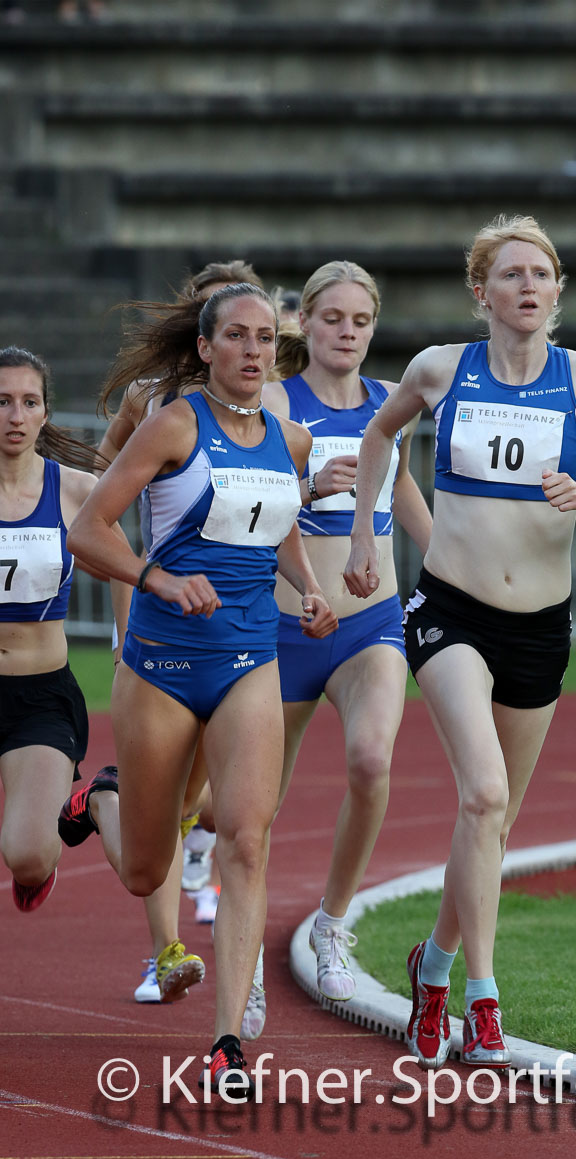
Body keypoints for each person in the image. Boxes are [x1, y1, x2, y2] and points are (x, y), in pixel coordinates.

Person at [344, 214, 576, 1070]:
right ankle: (482, 999)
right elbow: (378, 433)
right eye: (509, 274)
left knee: (493, 824)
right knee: (481, 795)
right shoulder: (441, 368)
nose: (526, 286)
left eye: (540, 274)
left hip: (540, 631)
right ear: (481, 292)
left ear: (557, 291)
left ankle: (428, 968)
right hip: (450, 612)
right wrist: (369, 536)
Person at [61, 283, 337, 1097]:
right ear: (208, 348)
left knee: (246, 838)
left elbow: (276, 520)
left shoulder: (289, 438)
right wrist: (161, 578)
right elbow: (89, 530)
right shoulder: (175, 423)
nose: (254, 351)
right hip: (162, 666)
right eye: (238, 338)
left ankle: (226, 1045)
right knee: (147, 872)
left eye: (264, 339)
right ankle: (103, 801)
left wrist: (309, 587)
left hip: (251, 656)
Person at [251, 260, 432, 1039]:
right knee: (254, 808)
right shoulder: (271, 402)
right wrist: (307, 481)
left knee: (370, 761)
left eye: (360, 321)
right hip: (285, 626)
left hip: (370, 621)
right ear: (307, 324)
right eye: (332, 319)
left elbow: (403, 491)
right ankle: (242, 959)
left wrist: (452, 568)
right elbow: (244, 505)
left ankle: (331, 922)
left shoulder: (392, 404)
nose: (347, 332)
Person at [97, 258, 262, 1003]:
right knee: (150, 846)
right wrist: (144, 575)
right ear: (197, 335)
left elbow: (270, 500)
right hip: (151, 620)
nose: (246, 346)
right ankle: (162, 947)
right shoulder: (151, 400)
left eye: (257, 332)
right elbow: (98, 495)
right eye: (225, 327)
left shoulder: (266, 411)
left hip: (237, 632)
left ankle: (118, 801)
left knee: (206, 800)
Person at [0, 346, 123, 913]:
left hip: (40, 697)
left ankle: (82, 808)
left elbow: (128, 567)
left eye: (28, 402)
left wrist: (127, 657)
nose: (15, 416)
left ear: (45, 413)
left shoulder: (73, 490)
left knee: (26, 857)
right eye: (2, 402)